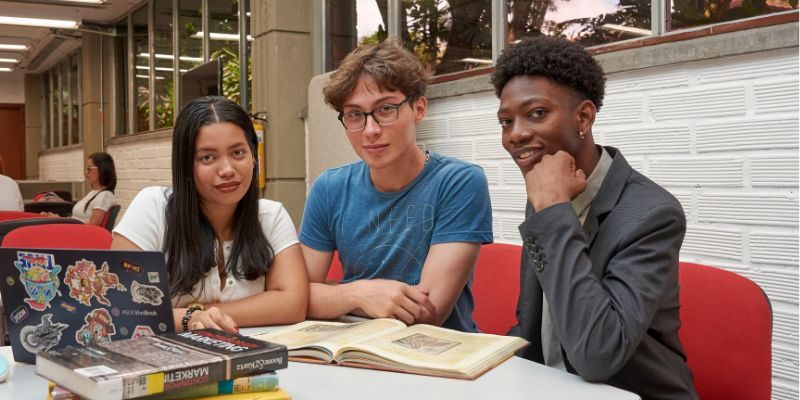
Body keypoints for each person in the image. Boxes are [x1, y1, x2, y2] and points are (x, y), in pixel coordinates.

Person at [492, 36, 698, 399]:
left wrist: (552, 211)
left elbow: (598, 354)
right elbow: (532, 324)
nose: (516, 134)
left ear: (583, 117)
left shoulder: (651, 213)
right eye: (506, 121)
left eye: (536, 113)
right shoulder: (546, 196)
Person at [300, 38, 493, 332]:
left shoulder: (458, 182)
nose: (370, 130)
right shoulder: (329, 188)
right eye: (355, 115)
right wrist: (359, 293)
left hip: (437, 351)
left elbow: (427, 312)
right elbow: (295, 297)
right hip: (355, 346)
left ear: (419, 109)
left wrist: (334, 294)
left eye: (386, 109)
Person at [111, 96, 309, 333]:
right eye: (207, 157)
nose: (227, 170)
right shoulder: (152, 207)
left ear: (254, 157)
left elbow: (292, 303)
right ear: (185, 165)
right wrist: (190, 317)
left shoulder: (271, 216)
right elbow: (119, 306)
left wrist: (202, 315)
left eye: (238, 153)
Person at [69, 152, 117, 225]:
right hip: (73, 229)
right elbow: (76, 220)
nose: (85, 173)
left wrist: (64, 223)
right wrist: (59, 219)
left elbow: (93, 226)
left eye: (89, 169)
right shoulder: (94, 193)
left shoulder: (105, 195)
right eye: (86, 169)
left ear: (102, 169)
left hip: (78, 231)